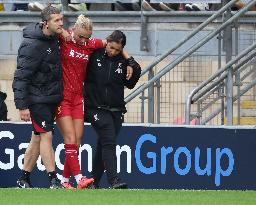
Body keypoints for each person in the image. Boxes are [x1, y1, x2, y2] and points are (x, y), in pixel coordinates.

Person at [12, 5, 64, 189]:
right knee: (46, 136)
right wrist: (22, 106)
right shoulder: (32, 45)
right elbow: (21, 76)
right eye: (57, 20)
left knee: (37, 137)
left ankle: (23, 178)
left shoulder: (54, 38)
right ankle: (53, 179)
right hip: (37, 99)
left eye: (61, 19)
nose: (61, 23)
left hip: (49, 98)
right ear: (45, 23)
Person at [84, 30, 141, 189]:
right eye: (111, 47)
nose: (112, 52)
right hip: (95, 108)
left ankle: (93, 182)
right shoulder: (94, 54)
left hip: (116, 110)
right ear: (106, 42)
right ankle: (114, 179)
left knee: (103, 144)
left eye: (117, 49)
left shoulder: (123, 62)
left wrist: (129, 60)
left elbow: (131, 82)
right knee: (108, 140)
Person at [55, 14, 106, 189]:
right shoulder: (64, 39)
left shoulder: (91, 44)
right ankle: (79, 178)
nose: (84, 40)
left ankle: (64, 181)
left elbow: (112, 42)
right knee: (69, 137)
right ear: (74, 29)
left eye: (87, 37)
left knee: (77, 141)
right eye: (81, 36)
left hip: (78, 97)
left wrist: (129, 61)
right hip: (62, 97)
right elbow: (43, 26)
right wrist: (61, 31)